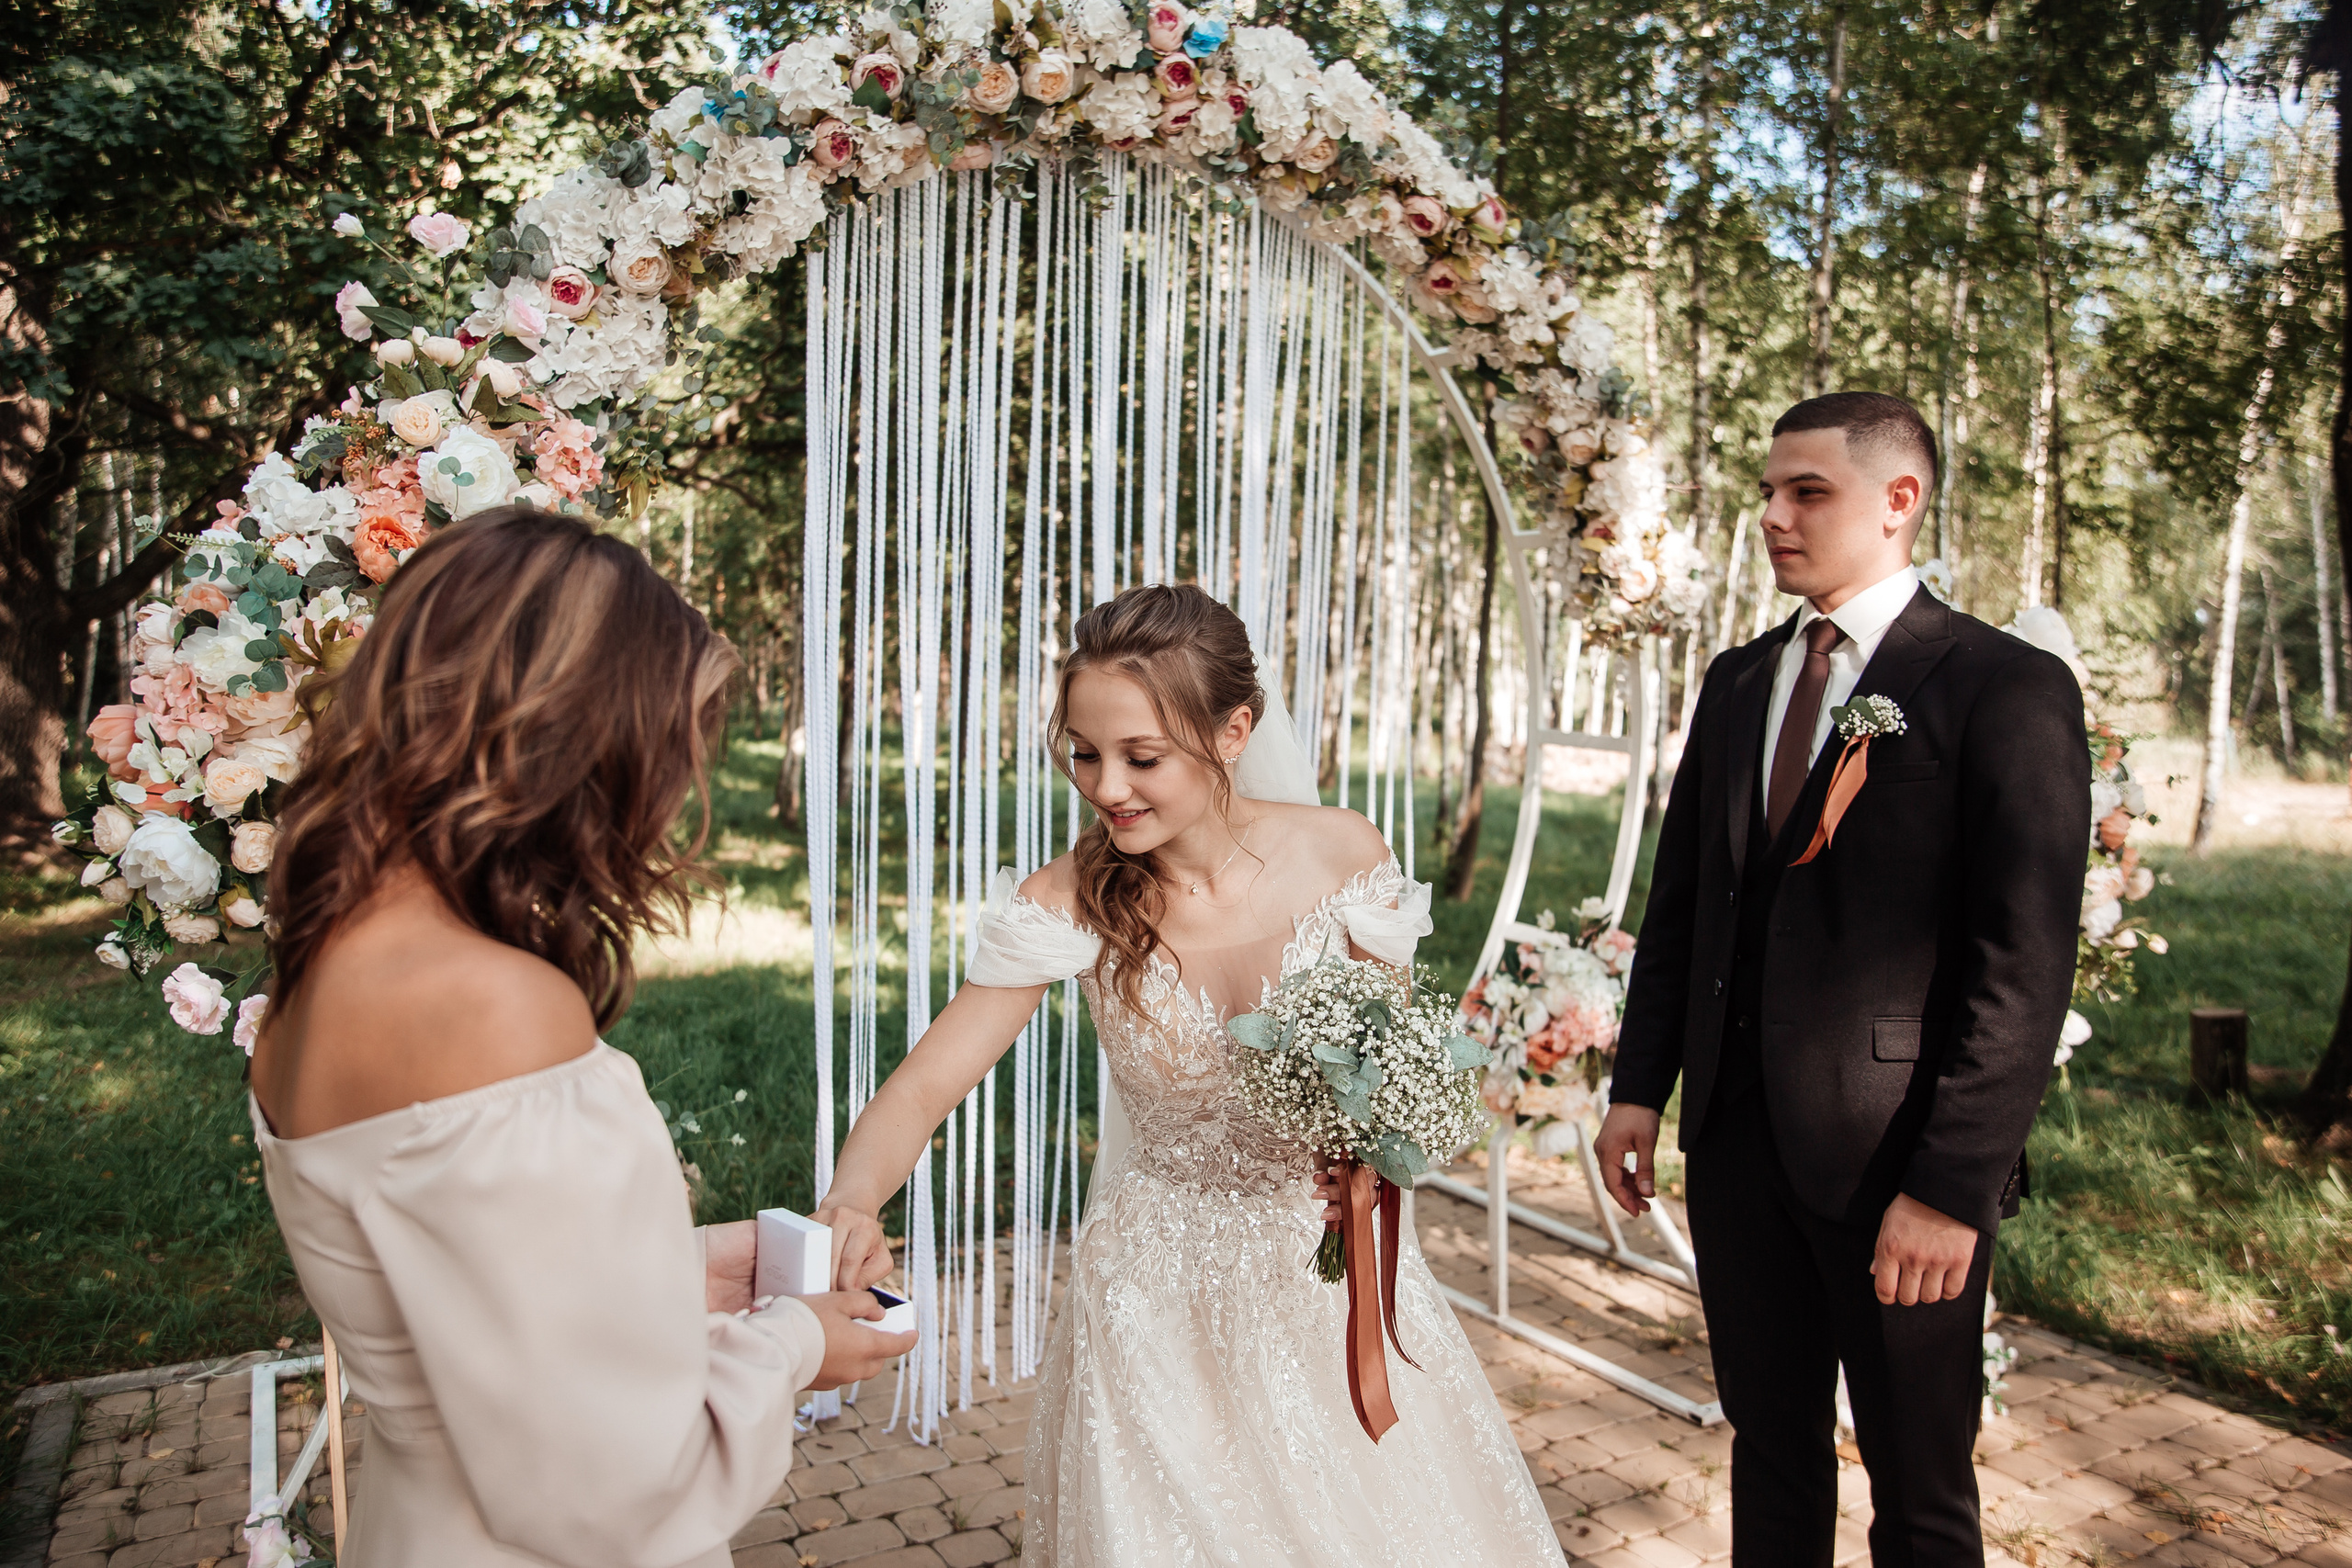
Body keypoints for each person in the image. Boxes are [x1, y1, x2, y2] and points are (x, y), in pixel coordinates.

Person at [812, 583, 1563, 1566]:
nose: (1106, 787)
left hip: (1326, 1280)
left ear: (1233, 730)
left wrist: (1372, 1159)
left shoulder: (1344, 857)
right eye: (1083, 753)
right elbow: (923, 1085)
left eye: (1141, 757)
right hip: (1152, 1300)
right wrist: (854, 1198)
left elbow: (1388, 1073)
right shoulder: (1068, 901)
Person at [249, 508, 914, 1567]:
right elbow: (608, 1479)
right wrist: (795, 1343)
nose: (671, 797)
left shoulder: (323, 970)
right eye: (666, 747)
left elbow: (478, 1296)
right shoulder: (492, 1005)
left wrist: (710, 1268)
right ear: (580, 739)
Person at [1596, 392, 2089, 1568]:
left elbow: (2019, 965)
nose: (1772, 515)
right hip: (1731, 1149)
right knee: (1769, 1453)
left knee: (1919, 1492)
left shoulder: (2001, 686)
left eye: (1805, 491)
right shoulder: (1737, 680)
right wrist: (1637, 1087)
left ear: (1898, 502)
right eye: (1767, 491)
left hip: (1895, 1166)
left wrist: (1951, 1185)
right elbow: (1684, 911)